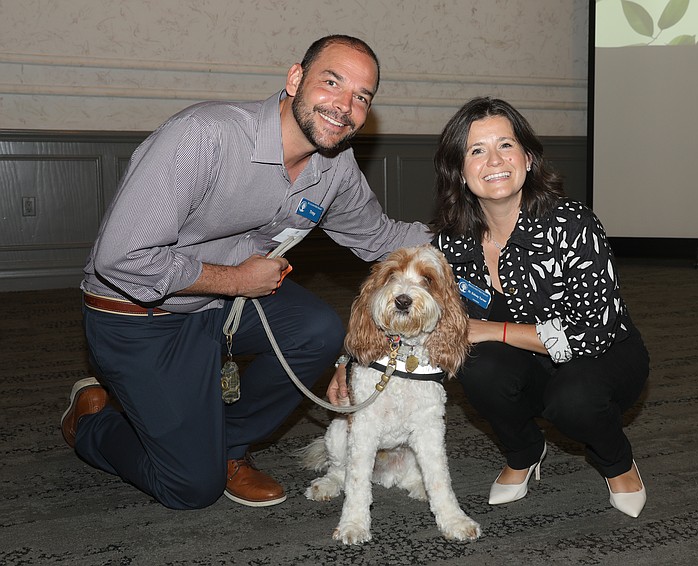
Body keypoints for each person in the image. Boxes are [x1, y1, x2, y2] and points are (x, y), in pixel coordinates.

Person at [61, 35, 431, 510]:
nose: (345, 106)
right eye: (333, 82)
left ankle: (229, 448)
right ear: (295, 79)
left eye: (362, 97)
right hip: (137, 316)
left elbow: (378, 236)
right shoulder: (204, 135)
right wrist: (237, 281)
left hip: (222, 305)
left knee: (317, 330)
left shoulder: (334, 165)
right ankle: (91, 421)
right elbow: (122, 259)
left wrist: (473, 241)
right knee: (190, 488)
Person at [431, 97, 650, 517]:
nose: (493, 160)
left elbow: (590, 336)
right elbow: (433, 317)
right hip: (524, 362)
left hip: (601, 356)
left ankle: (616, 461)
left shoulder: (572, 224)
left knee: (573, 399)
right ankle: (525, 452)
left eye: (505, 146)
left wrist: (493, 330)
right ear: (459, 171)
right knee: (476, 365)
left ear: (528, 158)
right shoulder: (450, 241)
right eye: (476, 150)